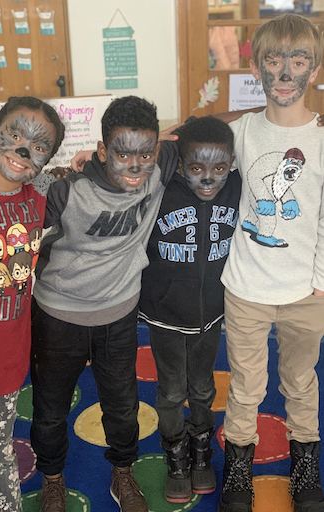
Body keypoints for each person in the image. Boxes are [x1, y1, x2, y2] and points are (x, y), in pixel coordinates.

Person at [30, 96, 181, 512]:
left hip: (118, 314)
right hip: (59, 316)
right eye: (121, 153)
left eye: (145, 154)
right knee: (49, 408)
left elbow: (204, 129)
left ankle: (122, 473)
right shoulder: (66, 191)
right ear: (101, 151)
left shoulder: (160, 167)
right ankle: (53, 479)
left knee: (122, 402)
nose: (135, 166)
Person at [216, 14, 324, 512]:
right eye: (273, 61)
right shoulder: (240, 133)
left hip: (308, 293)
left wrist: (320, 284)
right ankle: (237, 466)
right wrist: (97, 155)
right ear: (256, 67)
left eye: (297, 61)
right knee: (245, 385)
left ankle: (305, 463)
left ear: (314, 70)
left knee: (301, 382)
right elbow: (180, 145)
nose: (284, 74)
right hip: (246, 289)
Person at [138, 116, 240, 503]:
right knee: (170, 392)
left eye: (219, 168)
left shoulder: (237, 188)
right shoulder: (159, 189)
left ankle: (201, 456)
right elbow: (135, 158)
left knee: (202, 389)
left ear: (231, 163)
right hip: (165, 315)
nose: (208, 180)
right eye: (196, 168)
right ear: (179, 164)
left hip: (211, 314)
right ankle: (176, 459)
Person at [0, 96, 65, 512]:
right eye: (13, 135)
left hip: (3, 358)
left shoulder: (41, 198)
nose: (21, 151)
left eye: (37, 146)